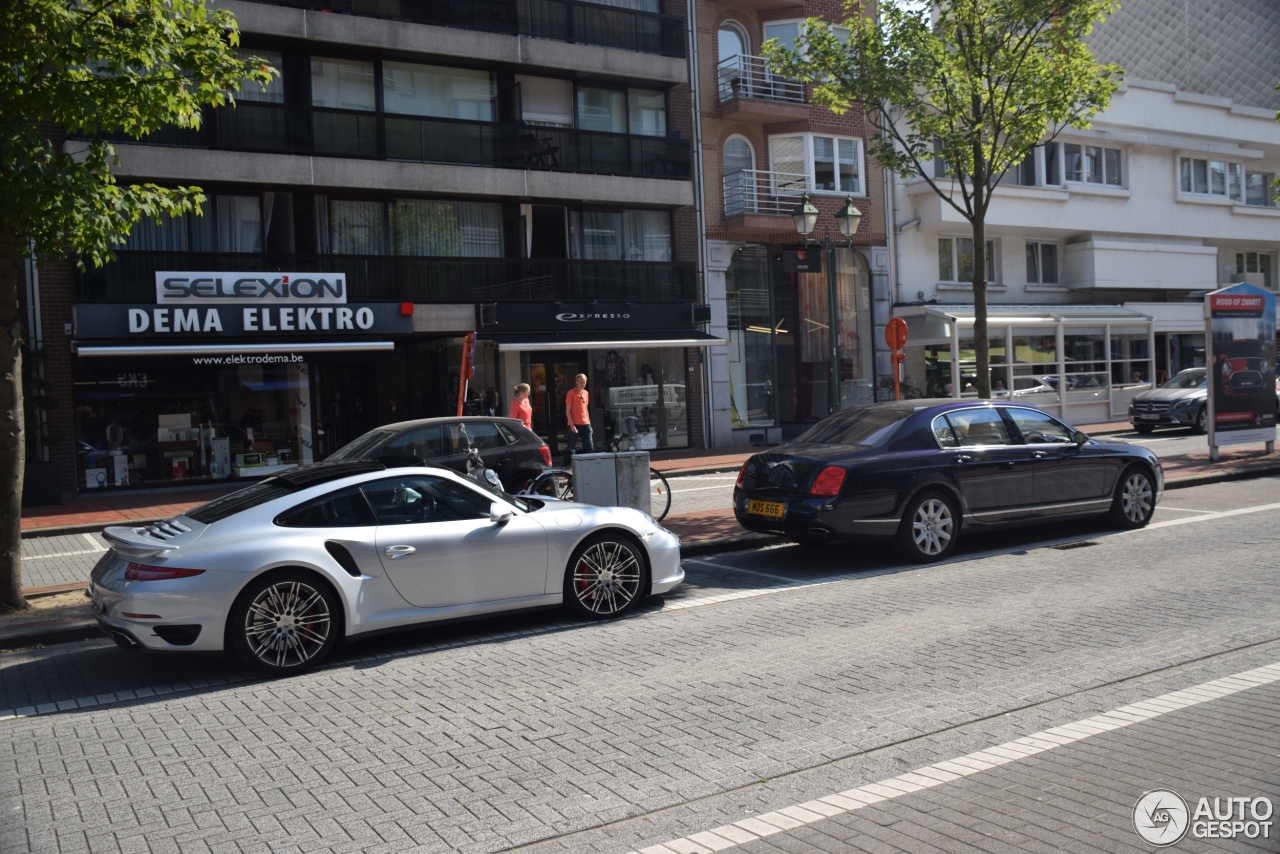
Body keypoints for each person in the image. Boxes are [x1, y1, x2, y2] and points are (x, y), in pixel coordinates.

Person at [563, 373, 593, 466]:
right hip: (574, 423)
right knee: (571, 446)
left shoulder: (586, 393)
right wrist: (571, 425)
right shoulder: (571, 393)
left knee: (589, 446)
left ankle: (592, 464)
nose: (582, 384)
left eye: (584, 382)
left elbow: (585, 409)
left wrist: (590, 424)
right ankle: (566, 465)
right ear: (576, 382)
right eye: (581, 382)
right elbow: (567, 410)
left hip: (586, 423)